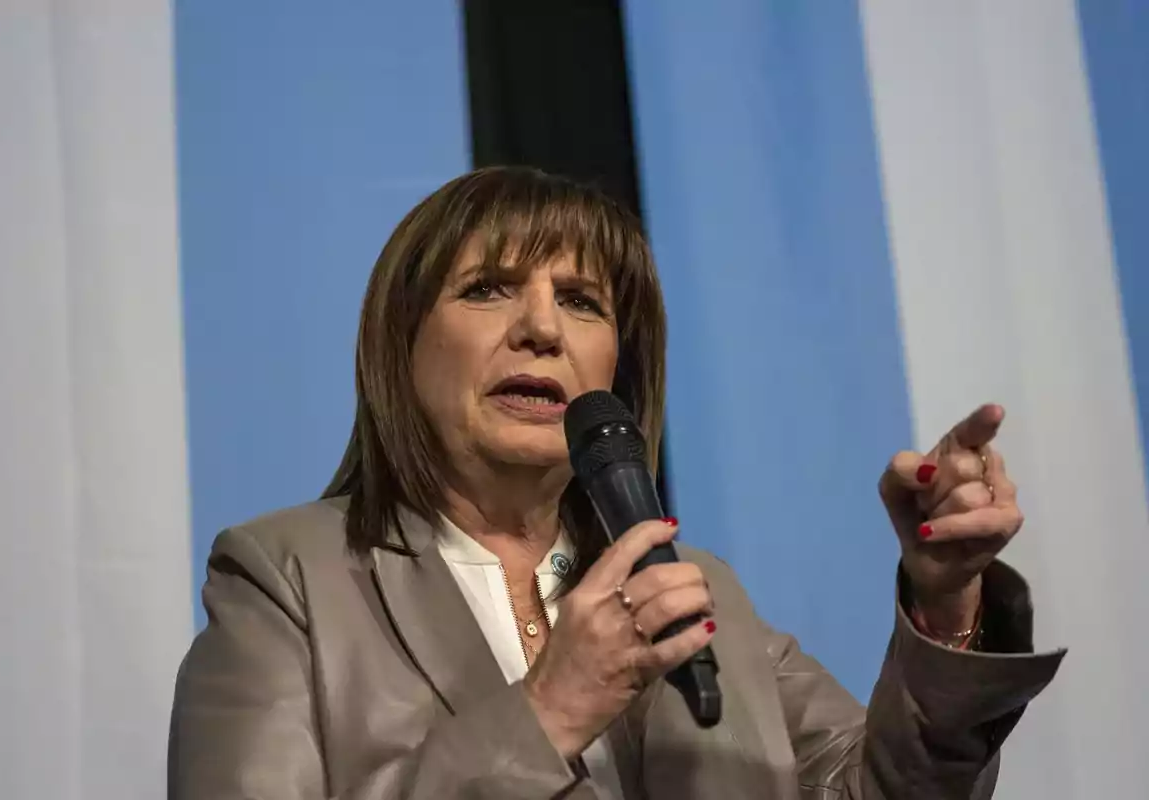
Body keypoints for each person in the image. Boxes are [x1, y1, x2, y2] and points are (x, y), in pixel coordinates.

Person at [167, 166, 1064, 799]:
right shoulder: (289, 578)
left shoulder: (699, 596)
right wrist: (549, 712)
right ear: (400, 349)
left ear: (615, 373)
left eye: (583, 302)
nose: (541, 330)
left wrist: (946, 606)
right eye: (487, 290)